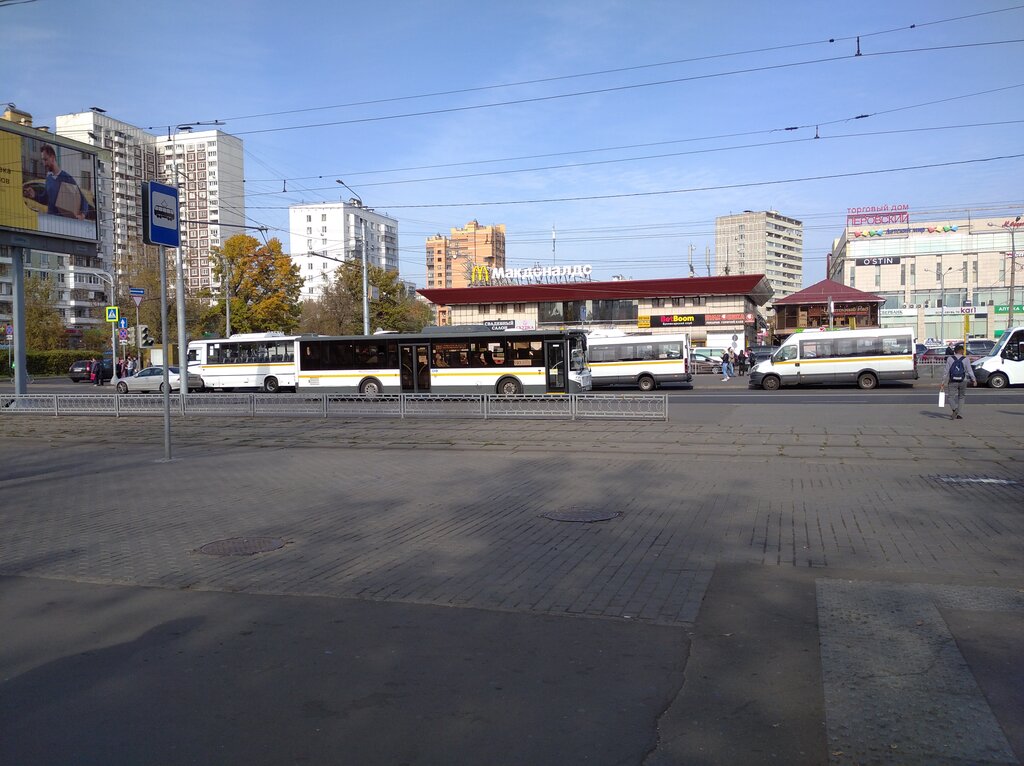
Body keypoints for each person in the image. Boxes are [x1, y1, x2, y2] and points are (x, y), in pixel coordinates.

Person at [23, 144, 90, 219]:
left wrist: (82, 215)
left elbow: (83, 199)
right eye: (43, 160)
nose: (44, 164)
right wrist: (34, 195)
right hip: (51, 221)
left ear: (52, 157)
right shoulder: (49, 178)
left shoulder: (66, 177)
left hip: (63, 222)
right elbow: (45, 199)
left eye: (45, 160)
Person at [940, 343, 976, 420]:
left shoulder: (950, 359)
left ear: (955, 351)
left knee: (950, 397)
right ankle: (959, 413)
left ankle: (954, 409)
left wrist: (943, 382)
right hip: (963, 380)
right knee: (961, 397)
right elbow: (969, 370)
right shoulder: (965, 359)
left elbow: (946, 371)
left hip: (952, 380)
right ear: (962, 351)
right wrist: (974, 379)